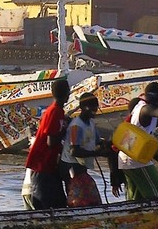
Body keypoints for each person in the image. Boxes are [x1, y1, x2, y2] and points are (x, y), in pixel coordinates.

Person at [23, 78, 70, 210]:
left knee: (59, 203)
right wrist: (65, 132)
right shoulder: (54, 112)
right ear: (67, 93)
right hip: (42, 165)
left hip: (49, 165)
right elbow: (51, 141)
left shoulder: (58, 111)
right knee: (46, 205)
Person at [59, 92, 112, 207]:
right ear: (82, 108)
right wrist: (97, 153)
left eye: (96, 106)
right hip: (70, 166)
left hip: (81, 166)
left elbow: (98, 142)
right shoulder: (76, 126)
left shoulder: (91, 123)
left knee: (87, 197)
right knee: (77, 199)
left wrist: (110, 144)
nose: (94, 109)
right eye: (91, 106)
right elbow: (74, 151)